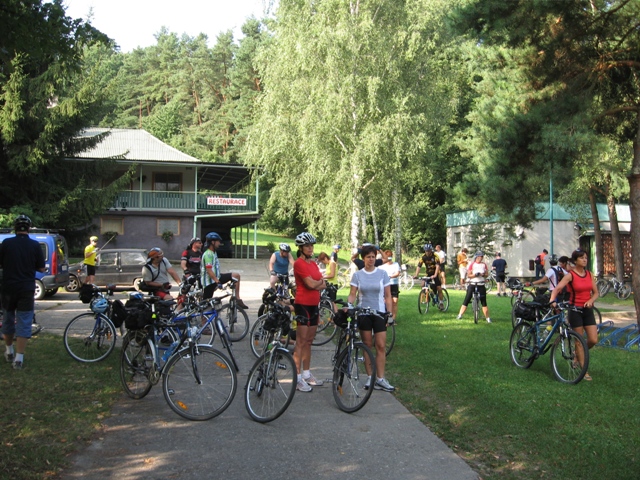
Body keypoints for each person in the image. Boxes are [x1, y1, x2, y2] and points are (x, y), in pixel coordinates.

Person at [0, 215, 46, 370]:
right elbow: (41, 268)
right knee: (24, 321)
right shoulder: (35, 245)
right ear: (29, 228)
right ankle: (19, 359)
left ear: (15, 228)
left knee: (8, 319)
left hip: (8, 288)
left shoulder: (6, 243)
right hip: (26, 288)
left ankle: (9, 351)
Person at [348, 244, 395, 391]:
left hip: (379, 313)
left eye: (373, 257)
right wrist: (349, 305)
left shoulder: (382, 274)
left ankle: (380, 378)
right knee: (367, 345)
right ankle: (370, 377)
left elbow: (388, 295)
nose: (371, 259)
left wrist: (389, 313)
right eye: (368, 257)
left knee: (380, 345)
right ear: (363, 258)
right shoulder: (358, 275)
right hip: (364, 313)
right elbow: (353, 293)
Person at [549, 249, 599, 381]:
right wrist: (552, 300)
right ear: (575, 261)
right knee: (579, 340)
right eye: (582, 258)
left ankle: (577, 354)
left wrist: (591, 300)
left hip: (587, 310)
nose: (585, 260)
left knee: (593, 340)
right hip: (575, 310)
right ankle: (583, 371)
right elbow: (557, 288)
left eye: (586, 258)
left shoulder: (589, 274)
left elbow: (596, 293)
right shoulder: (570, 275)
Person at [292, 232, 326, 392]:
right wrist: (318, 283)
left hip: (314, 305)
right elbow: (311, 284)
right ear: (301, 248)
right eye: (307, 246)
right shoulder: (298, 263)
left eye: (311, 245)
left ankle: (306, 374)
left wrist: (317, 283)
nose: (310, 248)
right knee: (301, 341)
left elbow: (323, 283)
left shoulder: (313, 264)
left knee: (309, 341)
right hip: (303, 304)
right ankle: (297, 377)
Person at [200, 232, 248, 308]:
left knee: (236, 276)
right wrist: (217, 281)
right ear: (212, 242)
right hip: (210, 282)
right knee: (205, 306)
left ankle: (237, 298)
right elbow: (209, 270)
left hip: (216, 278)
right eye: (218, 241)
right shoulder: (208, 254)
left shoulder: (213, 252)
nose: (219, 243)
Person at [456, 251, 492, 323]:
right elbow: (469, 275)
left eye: (481, 257)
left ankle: (488, 318)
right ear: (476, 257)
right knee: (467, 299)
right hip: (472, 284)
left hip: (481, 284)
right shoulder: (472, 264)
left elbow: (486, 274)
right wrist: (475, 275)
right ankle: (460, 315)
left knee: (483, 302)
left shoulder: (484, 265)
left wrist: (483, 275)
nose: (480, 258)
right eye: (479, 257)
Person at [414, 244, 445, 309]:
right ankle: (427, 296)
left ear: (431, 250)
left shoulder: (435, 256)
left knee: (439, 288)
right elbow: (419, 266)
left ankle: (441, 303)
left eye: (428, 251)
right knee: (423, 284)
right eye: (426, 251)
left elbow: (437, 266)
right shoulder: (423, 257)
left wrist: (435, 275)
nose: (427, 252)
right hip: (428, 273)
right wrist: (416, 275)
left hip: (436, 273)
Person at [379, 250, 400, 320]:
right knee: (386, 302)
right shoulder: (381, 266)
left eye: (390, 256)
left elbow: (397, 273)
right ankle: (386, 318)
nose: (389, 258)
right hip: (385, 285)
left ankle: (393, 319)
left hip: (394, 284)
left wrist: (390, 277)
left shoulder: (396, 264)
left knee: (394, 302)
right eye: (387, 256)